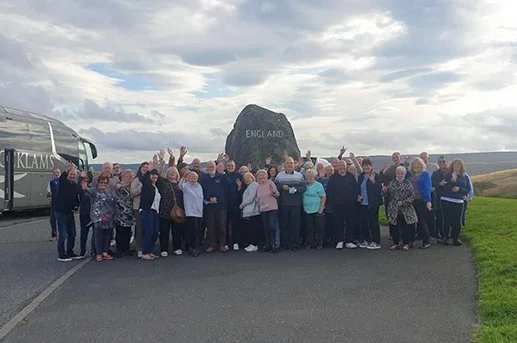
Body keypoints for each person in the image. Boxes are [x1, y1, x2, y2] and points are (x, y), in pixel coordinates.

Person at [81, 174, 118, 262]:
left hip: (109, 217)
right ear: (98, 183)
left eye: (105, 182)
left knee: (108, 235)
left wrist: (116, 213)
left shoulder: (110, 192)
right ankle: (98, 253)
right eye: (101, 182)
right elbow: (86, 190)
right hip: (98, 217)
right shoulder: (94, 191)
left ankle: (105, 252)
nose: (103, 184)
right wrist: (83, 183)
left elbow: (114, 202)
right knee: (98, 235)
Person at [275, 157, 306, 251]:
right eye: (288, 163)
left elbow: (304, 188)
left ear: (294, 165)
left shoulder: (299, 175)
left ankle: (294, 244)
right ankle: (285, 244)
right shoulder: (279, 175)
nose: (289, 165)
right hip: (283, 204)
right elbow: (274, 186)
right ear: (284, 165)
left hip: (296, 204)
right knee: (284, 225)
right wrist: (281, 186)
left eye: (291, 163)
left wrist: (296, 189)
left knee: (295, 225)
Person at [327, 160, 359, 249]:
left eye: (343, 166)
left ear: (346, 167)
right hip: (337, 205)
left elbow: (355, 189)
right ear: (337, 167)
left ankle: (349, 241)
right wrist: (333, 201)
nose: (342, 167)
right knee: (338, 223)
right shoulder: (333, 178)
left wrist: (354, 199)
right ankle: (339, 241)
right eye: (340, 166)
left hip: (350, 204)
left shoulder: (351, 176)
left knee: (350, 222)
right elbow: (329, 191)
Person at [200, 161, 230, 253]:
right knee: (210, 227)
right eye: (209, 166)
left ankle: (222, 245)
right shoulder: (203, 178)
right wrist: (209, 199)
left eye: (212, 166)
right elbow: (201, 191)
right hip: (209, 206)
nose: (211, 168)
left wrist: (218, 199)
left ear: (215, 167)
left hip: (221, 206)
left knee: (222, 227)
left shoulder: (222, 176)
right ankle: (212, 245)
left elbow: (228, 189)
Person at [440, 159, 471, 246]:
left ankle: (455, 238)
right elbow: (444, 185)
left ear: (462, 167)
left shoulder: (465, 177)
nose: (457, 167)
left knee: (457, 221)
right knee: (446, 220)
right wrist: (452, 178)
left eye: (459, 165)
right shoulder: (448, 175)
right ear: (452, 166)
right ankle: (446, 238)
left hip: (458, 201)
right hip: (446, 199)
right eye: (455, 165)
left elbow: (467, 189)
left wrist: (459, 189)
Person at [54, 163, 81, 262]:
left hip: (70, 212)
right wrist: (68, 169)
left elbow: (75, 198)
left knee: (72, 233)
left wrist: (76, 206)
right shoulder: (62, 182)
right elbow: (63, 176)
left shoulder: (73, 184)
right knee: (63, 234)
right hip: (61, 212)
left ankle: (70, 252)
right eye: (71, 174)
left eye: (74, 175)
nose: (72, 176)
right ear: (67, 174)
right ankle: (61, 255)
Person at [387, 166, 418, 251]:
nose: (400, 175)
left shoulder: (408, 183)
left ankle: (406, 243)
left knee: (405, 227)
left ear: (404, 174)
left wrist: (404, 202)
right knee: (394, 226)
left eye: (402, 173)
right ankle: (395, 243)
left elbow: (412, 196)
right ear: (396, 173)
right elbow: (388, 195)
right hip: (394, 209)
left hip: (406, 209)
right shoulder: (391, 183)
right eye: (398, 173)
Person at [157, 167, 185, 257]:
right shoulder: (163, 182)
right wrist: (160, 162)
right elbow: (158, 175)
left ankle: (177, 247)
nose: (173, 174)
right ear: (167, 174)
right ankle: (164, 249)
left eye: (174, 172)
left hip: (177, 211)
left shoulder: (180, 184)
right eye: (170, 172)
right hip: (165, 210)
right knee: (164, 231)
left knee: (177, 230)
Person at [357, 159, 383, 249]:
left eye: (367, 165)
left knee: (373, 222)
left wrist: (373, 182)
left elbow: (379, 189)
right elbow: (358, 188)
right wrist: (358, 195)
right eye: (364, 165)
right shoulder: (361, 176)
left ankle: (376, 242)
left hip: (373, 203)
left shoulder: (376, 175)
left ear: (371, 166)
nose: (365, 167)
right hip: (363, 203)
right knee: (364, 222)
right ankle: (367, 240)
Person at [407, 158, 432, 249]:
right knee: (410, 222)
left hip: (421, 200)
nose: (416, 165)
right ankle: (411, 241)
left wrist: (428, 201)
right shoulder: (408, 174)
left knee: (422, 222)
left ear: (422, 165)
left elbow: (427, 188)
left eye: (418, 164)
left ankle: (426, 241)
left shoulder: (425, 174)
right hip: (410, 201)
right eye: (414, 164)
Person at [179, 171, 204, 257]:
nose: (193, 179)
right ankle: (192, 248)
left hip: (199, 212)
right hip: (190, 212)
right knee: (193, 231)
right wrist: (184, 176)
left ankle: (195, 247)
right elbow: (180, 185)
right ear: (188, 178)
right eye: (191, 177)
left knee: (198, 231)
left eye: (195, 177)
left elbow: (201, 198)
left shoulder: (199, 186)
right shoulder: (186, 185)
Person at [256, 169, 280, 253]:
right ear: (258, 177)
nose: (262, 177)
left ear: (266, 176)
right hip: (263, 208)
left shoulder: (270, 183)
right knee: (266, 227)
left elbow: (277, 194)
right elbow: (257, 196)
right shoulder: (257, 186)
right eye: (260, 176)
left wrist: (273, 192)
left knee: (271, 226)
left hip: (272, 208)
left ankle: (274, 244)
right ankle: (268, 244)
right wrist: (257, 200)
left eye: (263, 175)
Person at [140, 169, 161, 260]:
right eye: (153, 176)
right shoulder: (146, 185)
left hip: (155, 211)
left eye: (156, 177)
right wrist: (151, 167)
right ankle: (145, 252)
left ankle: (150, 250)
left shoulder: (155, 186)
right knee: (149, 231)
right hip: (147, 210)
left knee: (155, 232)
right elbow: (144, 177)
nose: (154, 178)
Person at [303, 169, 326, 249]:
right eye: (307, 176)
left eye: (310, 176)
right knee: (309, 227)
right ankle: (310, 243)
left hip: (317, 209)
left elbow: (323, 196)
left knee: (319, 228)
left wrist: (321, 208)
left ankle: (319, 243)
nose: (309, 177)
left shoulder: (318, 185)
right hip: (306, 210)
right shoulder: (304, 185)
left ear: (314, 176)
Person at [131, 162, 149, 258]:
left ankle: (146, 247)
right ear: (140, 168)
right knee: (139, 229)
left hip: (147, 207)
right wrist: (140, 188)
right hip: (138, 207)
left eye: (147, 167)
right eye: (144, 167)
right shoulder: (137, 180)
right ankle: (139, 248)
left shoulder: (149, 179)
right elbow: (132, 192)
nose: (145, 169)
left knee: (147, 228)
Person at [115, 170, 135, 257]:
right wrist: (130, 183)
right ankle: (120, 249)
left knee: (128, 231)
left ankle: (126, 248)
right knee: (120, 231)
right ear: (122, 177)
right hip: (120, 212)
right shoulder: (119, 185)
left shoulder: (131, 187)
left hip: (129, 212)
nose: (129, 178)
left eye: (130, 177)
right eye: (127, 176)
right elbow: (119, 188)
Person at [239, 172, 261, 252]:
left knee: (253, 229)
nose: (247, 179)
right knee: (251, 229)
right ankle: (252, 244)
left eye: (248, 177)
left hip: (253, 211)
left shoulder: (254, 185)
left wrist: (242, 205)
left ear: (252, 178)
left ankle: (254, 244)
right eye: (245, 178)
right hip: (250, 211)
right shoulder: (249, 187)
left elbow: (251, 197)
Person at [225, 160, 244, 251]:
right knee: (225, 224)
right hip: (225, 204)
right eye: (228, 165)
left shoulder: (239, 176)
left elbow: (243, 190)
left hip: (236, 204)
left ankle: (236, 242)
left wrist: (240, 187)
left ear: (235, 166)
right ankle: (226, 243)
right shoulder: (223, 176)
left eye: (232, 165)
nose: (230, 167)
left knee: (236, 224)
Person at [431, 156, 449, 239]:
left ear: (447, 162)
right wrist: (439, 184)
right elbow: (432, 184)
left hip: (449, 198)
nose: (442, 163)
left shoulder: (451, 173)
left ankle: (447, 233)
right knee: (439, 217)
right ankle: (440, 233)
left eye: (443, 161)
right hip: (438, 198)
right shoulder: (435, 173)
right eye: (440, 162)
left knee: (448, 217)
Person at [46, 168, 60, 242]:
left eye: (58, 172)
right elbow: (49, 192)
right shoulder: (51, 182)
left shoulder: (62, 182)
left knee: (61, 220)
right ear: (53, 174)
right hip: (54, 203)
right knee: (52, 220)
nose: (57, 174)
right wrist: (49, 198)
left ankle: (61, 235)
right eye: (55, 173)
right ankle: (54, 235)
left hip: (61, 204)